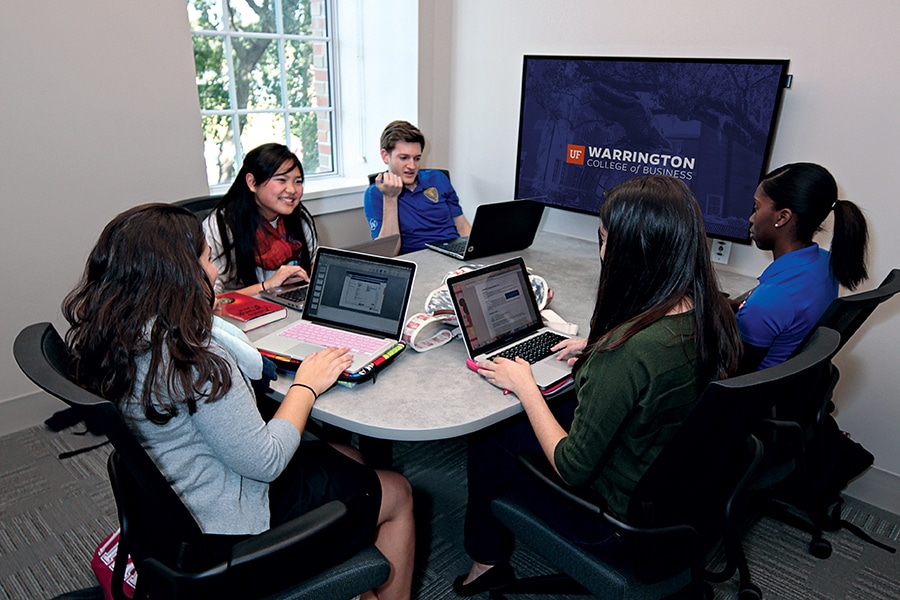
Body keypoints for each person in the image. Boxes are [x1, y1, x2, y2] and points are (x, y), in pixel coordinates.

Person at [63, 204, 414, 600]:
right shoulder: (195, 360)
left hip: (173, 510)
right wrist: (306, 386)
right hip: (229, 532)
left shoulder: (120, 337)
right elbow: (266, 462)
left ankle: (349, 578)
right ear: (181, 276)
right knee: (397, 490)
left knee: (348, 458)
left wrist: (197, 308)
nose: (214, 272)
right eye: (207, 260)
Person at [453, 175, 742, 596]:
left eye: (604, 239)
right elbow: (654, 367)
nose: (601, 250)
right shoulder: (712, 311)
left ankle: (486, 564)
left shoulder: (626, 354)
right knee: (548, 414)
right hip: (679, 503)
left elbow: (573, 467)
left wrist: (526, 386)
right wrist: (599, 344)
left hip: (618, 528)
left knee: (491, 437)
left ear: (632, 253)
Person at [734, 162, 869, 372]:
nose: (751, 218)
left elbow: (731, 372)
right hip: (782, 392)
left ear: (782, 217)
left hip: (743, 397)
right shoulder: (824, 264)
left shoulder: (771, 299)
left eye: (757, 208)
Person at [204, 143, 317, 295]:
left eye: (298, 181)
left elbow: (315, 267)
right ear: (252, 182)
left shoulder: (300, 220)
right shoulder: (222, 226)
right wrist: (267, 286)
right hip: (236, 312)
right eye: (282, 180)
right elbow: (210, 299)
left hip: (287, 305)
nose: (292, 190)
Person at [364, 120, 471, 254]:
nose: (412, 166)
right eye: (404, 158)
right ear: (385, 156)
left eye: (417, 158)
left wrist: (475, 253)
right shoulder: (375, 193)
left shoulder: (438, 178)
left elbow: (462, 226)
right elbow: (389, 253)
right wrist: (390, 198)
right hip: (419, 261)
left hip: (453, 254)